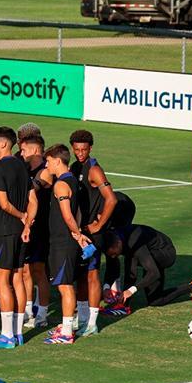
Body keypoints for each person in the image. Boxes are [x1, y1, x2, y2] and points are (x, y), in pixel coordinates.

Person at [0, 127, 38, 350]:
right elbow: (33, 199)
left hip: (3, 231)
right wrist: (26, 223)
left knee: (1, 281)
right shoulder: (21, 166)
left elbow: (4, 205)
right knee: (18, 278)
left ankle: (6, 335)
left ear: (4, 144)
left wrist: (21, 216)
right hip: (18, 232)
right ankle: (17, 332)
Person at [70, 129, 119, 336]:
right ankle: (82, 319)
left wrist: (99, 225)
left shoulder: (94, 170)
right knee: (80, 276)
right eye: (77, 149)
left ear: (90, 148)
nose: (80, 153)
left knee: (92, 275)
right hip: (80, 232)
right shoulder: (74, 167)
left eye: (84, 149)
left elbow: (111, 198)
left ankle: (92, 323)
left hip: (93, 233)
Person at [43, 144, 92, 345]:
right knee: (65, 284)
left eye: (48, 161)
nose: (47, 165)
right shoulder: (72, 181)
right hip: (65, 240)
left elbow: (68, 215)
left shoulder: (61, 185)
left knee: (65, 286)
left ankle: (66, 332)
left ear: (57, 161)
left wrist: (77, 234)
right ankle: (66, 327)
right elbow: (78, 212)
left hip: (62, 241)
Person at [105, 225, 192, 312]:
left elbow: (154, 273)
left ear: (118, 243)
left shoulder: (134, 243)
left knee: (154, 294)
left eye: (114, 253)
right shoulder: (118, 240)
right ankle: (124, 304)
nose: (114, 256)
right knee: (155, 299)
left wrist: (132, 290)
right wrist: (120, 297)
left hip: (166, 253)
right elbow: (131, 274)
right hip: (148, 252)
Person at [19, 130, 53, 329]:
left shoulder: (45, 170)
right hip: (28, 227)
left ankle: (42, 313)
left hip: (41, 228)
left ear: (34, 150)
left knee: (39, 270)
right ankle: (26, 310)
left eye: (23, 150)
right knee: (24, 270)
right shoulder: (26, 168)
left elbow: (33, 188)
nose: (21, 154)